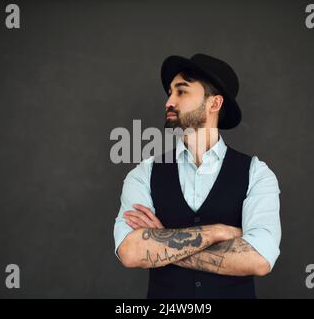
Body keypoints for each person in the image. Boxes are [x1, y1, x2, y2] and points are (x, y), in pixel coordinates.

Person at [113, 53, 281, 299]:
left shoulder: (257, 174)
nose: (169, 101)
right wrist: (217, 232)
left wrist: (164, 244)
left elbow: (259, 259)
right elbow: (130, 251)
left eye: (181, 92)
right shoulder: (144, 172)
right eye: (170, 92)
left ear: (214, 104)